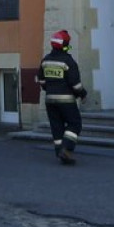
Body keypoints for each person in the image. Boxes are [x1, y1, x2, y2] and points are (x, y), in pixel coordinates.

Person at [36, 30, 87, 165]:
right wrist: (82, 94)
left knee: (56, 126)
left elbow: (41, 80)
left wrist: (49, 88)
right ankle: (67, 148)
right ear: (65, 45)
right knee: (75, 124)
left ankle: (60, 152)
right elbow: (75, 84)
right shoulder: (68, 61)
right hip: (66, 100)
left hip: (50, 100)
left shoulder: (45, 60)